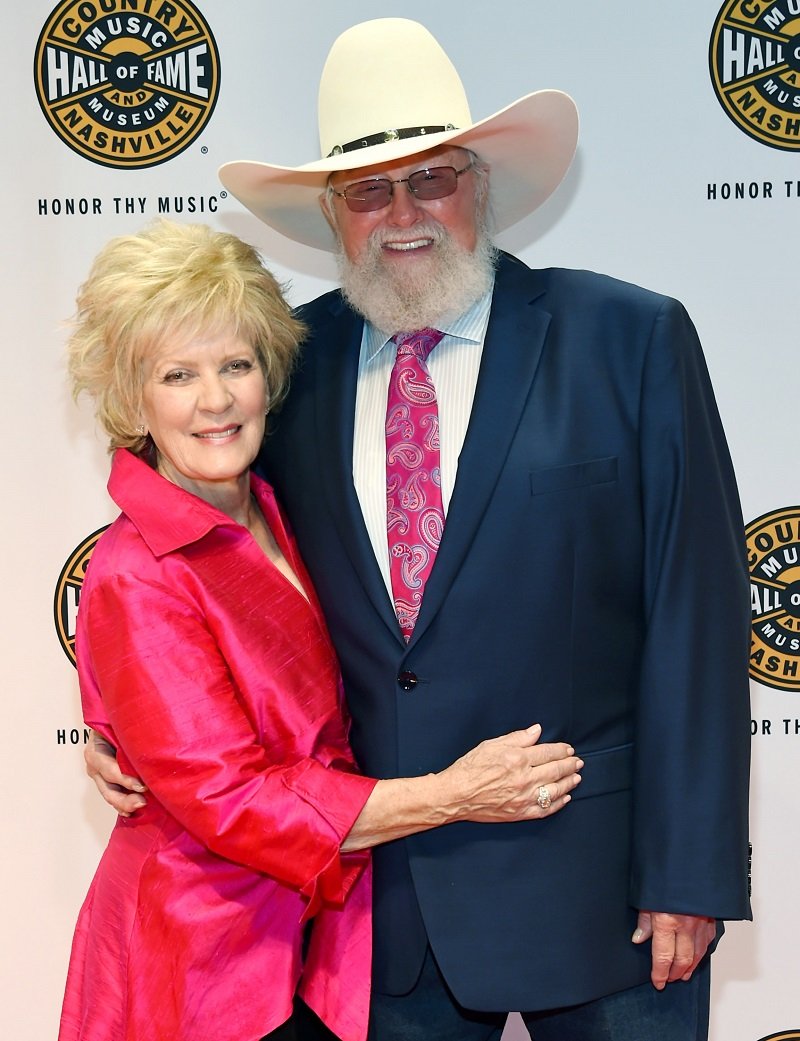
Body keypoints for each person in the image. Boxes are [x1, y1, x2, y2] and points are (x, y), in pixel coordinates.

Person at [90, 18, 752, 1041]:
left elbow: (696, 616)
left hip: (608, 899)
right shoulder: (287, 373)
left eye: (430, 178)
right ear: (331, 214)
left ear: (478, 185)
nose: (401, 212)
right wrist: (115, 724)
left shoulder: (626, 338)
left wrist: (688, 870)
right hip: (381, 917)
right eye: (366, 190)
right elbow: (202, 562)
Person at [61, 218, 583, 1041]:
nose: (214, 400)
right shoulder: (138, 572)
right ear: (132, 397)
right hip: (201, 961)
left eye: (235, 365)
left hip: (315, 940)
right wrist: (458, 793)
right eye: (176, 374)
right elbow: (234, 801)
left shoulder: (275, 499)